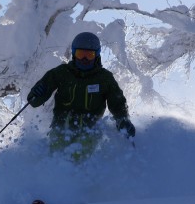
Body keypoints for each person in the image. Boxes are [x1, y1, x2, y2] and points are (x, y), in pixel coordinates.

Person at [27, 32, 135, 161]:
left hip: (90, 130)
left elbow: (117, 103)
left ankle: (82, 179)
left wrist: (122, 119)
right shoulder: (62, 73)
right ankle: (53, 177)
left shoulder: (104, 78)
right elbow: (34, 101)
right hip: (61, 127)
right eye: (80, 54)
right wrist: (37, 94)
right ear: (74, 54)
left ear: (97, 55)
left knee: (80, 154)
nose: (84, 59)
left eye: (89, 55)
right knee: (56, 152)